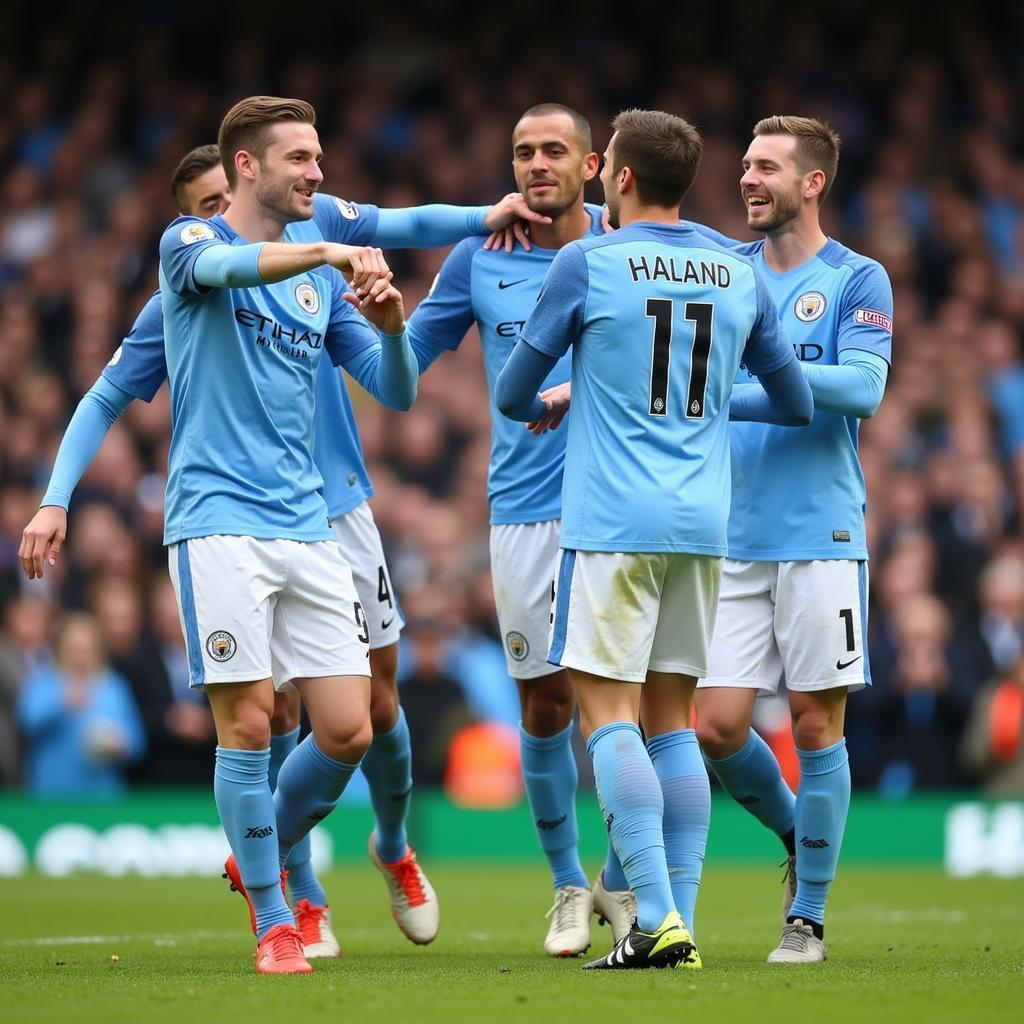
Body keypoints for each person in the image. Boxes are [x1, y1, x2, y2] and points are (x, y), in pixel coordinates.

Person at [20, 139, 544, 958]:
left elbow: (396, 340)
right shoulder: (193, 269)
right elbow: (110, 389)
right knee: (262, 719)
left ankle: (383, 845)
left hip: (328, 510)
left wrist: (406, 307)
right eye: (197, 210)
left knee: (367, 712)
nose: (208, 221)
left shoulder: (314, 262)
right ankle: (287, 903)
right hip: (225, 520)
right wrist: (55, 499)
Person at [495, 108, 812, 971]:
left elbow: (514, 393)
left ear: (621, 177)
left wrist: (569, 394)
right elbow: (795, 402)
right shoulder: (735, 269)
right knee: (672, 724)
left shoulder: (586, 261)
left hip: (613, 522)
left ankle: (657, 920)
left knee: (607, 717)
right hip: (705, 526)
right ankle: (679, 922)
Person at [404, 103, 633, 957]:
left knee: (638, 708)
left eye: (554, 151)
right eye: (523, 152)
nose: (537, 164)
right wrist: (380, 319)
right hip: (526, 513)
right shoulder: (477, 258)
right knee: (547, 704)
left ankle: (624, 876)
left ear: (594, 163)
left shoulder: (630, 245)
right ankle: (569, 886)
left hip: (624, 506)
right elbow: (403, 363)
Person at [691, 116, 893, 964]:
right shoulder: (725, 273)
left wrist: (751, 379)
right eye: (744, 164)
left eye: (766, 166)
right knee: (716, 728)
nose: (747, 178)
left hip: (821, 532)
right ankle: (796, 831)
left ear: (812, 182)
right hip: (730, 536)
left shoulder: (857, 278)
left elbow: (862, 389)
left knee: (815, 725)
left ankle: (805, 917)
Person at [17, 612, 146, 796]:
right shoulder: (45, 682)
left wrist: (119, 745)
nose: (80, 658)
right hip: (50, 798)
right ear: (61, 649)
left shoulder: (113, 686)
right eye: (74, 650)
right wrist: (60, 703)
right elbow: (27, 722)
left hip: (103, 799)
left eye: (86, 650)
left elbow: (137, 744)